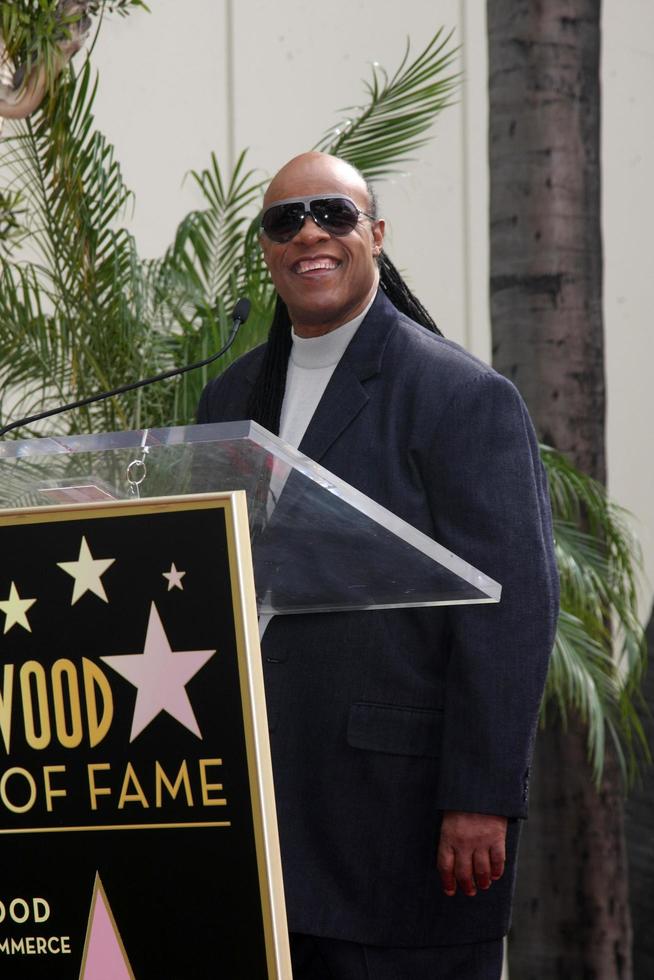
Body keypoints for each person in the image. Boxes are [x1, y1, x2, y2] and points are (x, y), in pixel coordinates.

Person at [197, 151, 559, 980]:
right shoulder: (228, 398)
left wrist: (482, 796)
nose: (310, 234)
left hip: (397, 827)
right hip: (257, 830)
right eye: (285, 221)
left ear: (376, 236)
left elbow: (515, 608)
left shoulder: (459, 395)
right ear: (265, 250)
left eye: (333, 213)